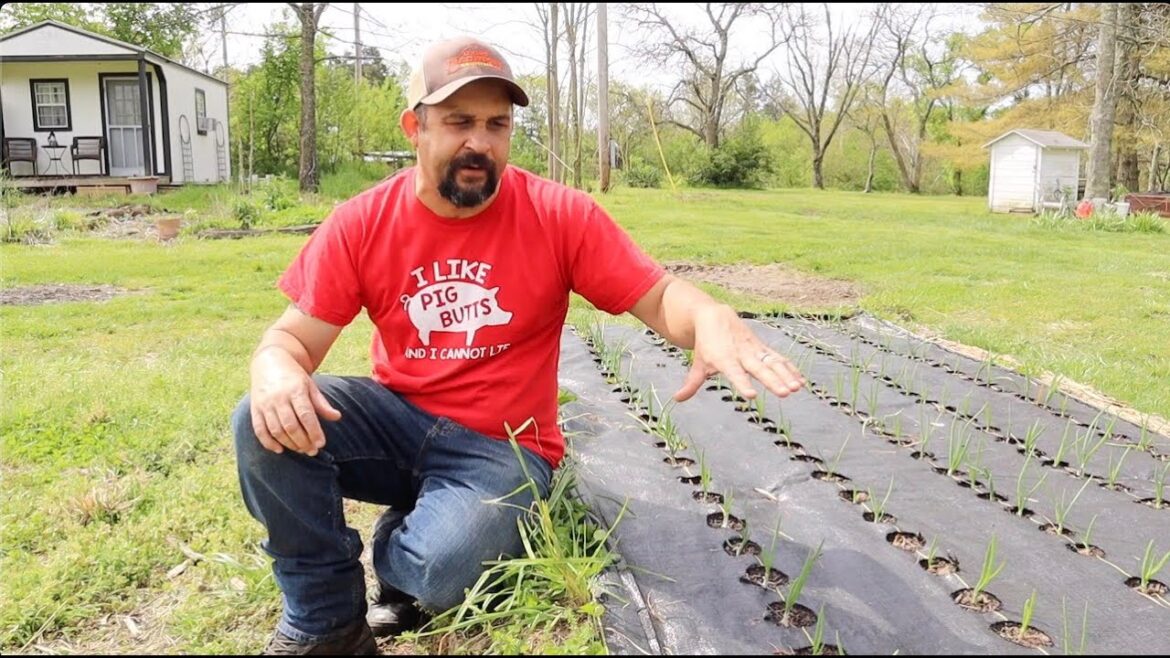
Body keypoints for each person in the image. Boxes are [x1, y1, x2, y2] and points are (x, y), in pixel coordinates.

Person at [231, 35, 807, 655]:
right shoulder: (364, 222)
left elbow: (657, 294)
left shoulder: (560, 215)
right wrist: (274, 368)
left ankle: (404, 546)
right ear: (414, 127)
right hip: (398, 421)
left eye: (496, 124)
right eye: (458, 122)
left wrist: (710, 314)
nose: (479, 142)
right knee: (259, 420)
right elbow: (290, 339)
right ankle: (326, 625)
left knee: (439, 571)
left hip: (503, 447)